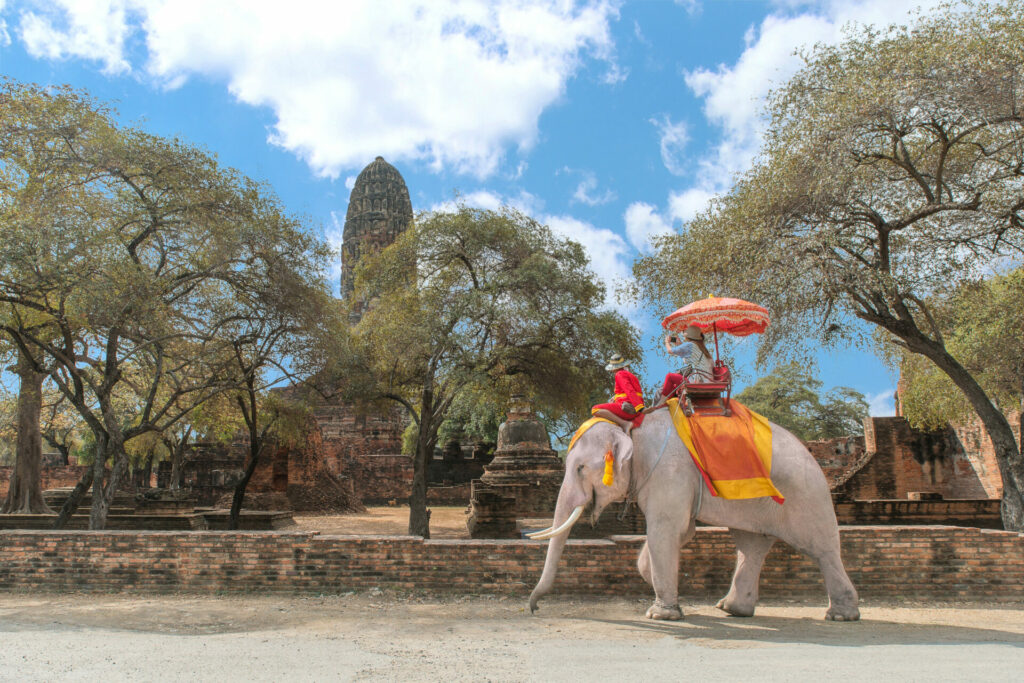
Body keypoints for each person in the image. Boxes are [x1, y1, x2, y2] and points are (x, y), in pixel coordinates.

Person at [661, 325, 714, 398]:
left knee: (670, 376)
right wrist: (679, 344)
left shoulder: (690, 345)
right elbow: (688, 356)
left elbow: (670, 351)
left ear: (687, 336)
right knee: (679, 376)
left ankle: (661, 402)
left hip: (698, 382)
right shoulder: (702, 348)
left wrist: (667, 342)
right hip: (708, 380)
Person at [591, 354, 645, 422]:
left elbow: (629, 390)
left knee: (595, 409)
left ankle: (624, 424)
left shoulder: (619, 374)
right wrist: (615, 397)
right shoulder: (628, 374)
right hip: (634, 405)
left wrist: (639, 407)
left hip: (629, 407)